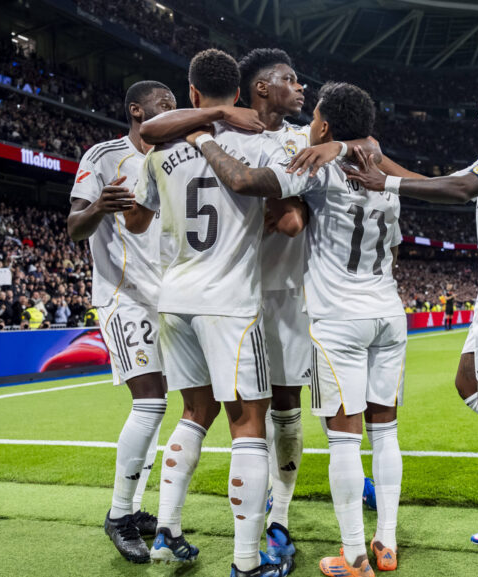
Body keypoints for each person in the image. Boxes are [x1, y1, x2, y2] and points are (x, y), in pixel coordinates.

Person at [140, 48, 381, 561]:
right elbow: (286, 211)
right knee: (249, 414)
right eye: (290, 80)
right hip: (239, 293)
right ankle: (251, 541)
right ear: (260, 89)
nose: (301, 89)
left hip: (282, 290)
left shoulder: (303, 139)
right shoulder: (238, 139)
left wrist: (333, 158)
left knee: (284, 408)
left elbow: (347, 158)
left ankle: (279, 518)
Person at [343, 60, 478, 545]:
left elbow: (461, 187)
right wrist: (379, 163)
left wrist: (386, 184)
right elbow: (435, 181)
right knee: (468, 381)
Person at [186, 81, 404, 577]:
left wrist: (204, 140)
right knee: (385, 434)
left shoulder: (316, 168)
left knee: (346, 441)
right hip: (389, 312)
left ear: (323, 127)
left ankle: (352, 558)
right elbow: (394, 249)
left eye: (315, 120)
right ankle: (385, 542)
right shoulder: (386, 181)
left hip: (339, 318)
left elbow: (246, 182)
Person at [124, 48, 304, 576]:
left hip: (174, 299)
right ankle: (248, 562)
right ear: (243, 91)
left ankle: (166, 532)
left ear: (194, 93)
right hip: (230, 301)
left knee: (192, 413)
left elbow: (138, 217)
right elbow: (288, 217)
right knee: (249, 423)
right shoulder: (265, 143)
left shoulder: (163, 148)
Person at [67, 79, 178, 564]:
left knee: (158, 409)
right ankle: (118, 514)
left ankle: (132, 507)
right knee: (150, 402)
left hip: (168, 298)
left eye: (175, 103)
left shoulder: (174, 160)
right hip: (123, 297)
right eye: (162, 103)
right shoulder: (104, 155)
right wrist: (98, 206)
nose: (172, 109)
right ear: (136, 109)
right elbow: (74, 228)